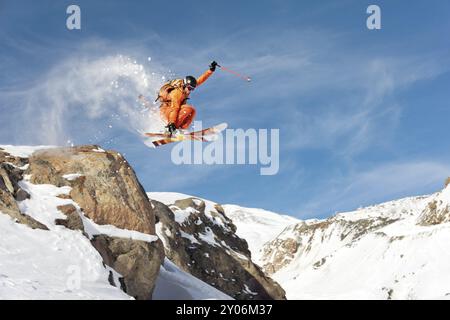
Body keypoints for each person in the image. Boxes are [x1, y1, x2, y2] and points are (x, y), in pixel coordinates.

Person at [156, 61, 219, 136]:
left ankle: (181, 129)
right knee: (188, 109)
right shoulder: (177, 93)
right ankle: (171, 128)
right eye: (189, 88)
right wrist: (171, 123)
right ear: (184, 85)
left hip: (171, 112)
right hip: (167, 111)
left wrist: (210, 70)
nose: (190, 90)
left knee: (192, 110)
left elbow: (200, 80)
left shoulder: (185, 89)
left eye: (192, 89)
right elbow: (174, 109)